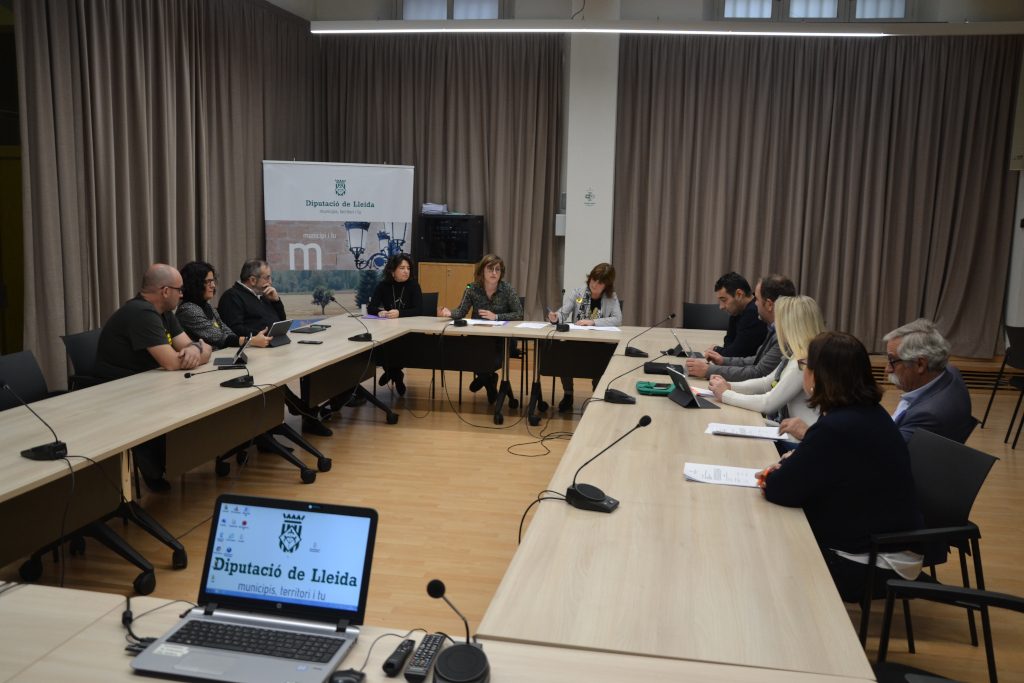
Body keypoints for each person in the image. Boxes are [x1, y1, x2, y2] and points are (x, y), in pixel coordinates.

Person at [760, 331, 926, 603]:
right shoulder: (866, 412)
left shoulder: (837, 427)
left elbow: (778, 489)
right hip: (886, 545)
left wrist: (777, 472)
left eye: (805, 365)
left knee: (768, 542)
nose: (803, 372)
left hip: (873, 562)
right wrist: (789, 468)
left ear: (820, 376)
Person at [94, 264, 213, 492]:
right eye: (179, 290)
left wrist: (195, 349)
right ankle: (152, 461)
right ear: (165, 291)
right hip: (117, 392)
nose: (182, 294)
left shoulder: (165, 313)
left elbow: (188, 345)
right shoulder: (141, 313)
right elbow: (173, 363)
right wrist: (202, 351)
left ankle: (161, 462)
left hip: (146, 383)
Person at [218, 259, 332, 437]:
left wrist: (276, 300)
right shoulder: (232, 297)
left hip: (274, 347)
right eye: (267, 278)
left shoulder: (263, 295)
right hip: (254, 354)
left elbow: (280, 320)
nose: (270, 282)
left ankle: (303, 409)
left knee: (310, 363)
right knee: (274, 378)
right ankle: (302, 410)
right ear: (253, 280)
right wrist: (259, 337)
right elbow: (235, 329)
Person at [708, 295, 825, 431]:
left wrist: (726, 395)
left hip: (796, 438)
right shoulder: (799, 353)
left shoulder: (803, 362)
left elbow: (768, 403)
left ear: (791, 325)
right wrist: (729, 386)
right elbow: (766, 383)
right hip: (791, 431)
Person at [439, 254, 524, 401]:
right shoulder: (472, 288)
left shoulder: (507, 289)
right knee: (466, 353)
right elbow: (461, 311)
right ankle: (489, 380)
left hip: (503, 339)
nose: (494, 273)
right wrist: (449, 313)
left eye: (497, 269)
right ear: (482, 271)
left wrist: (496, 317)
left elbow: (519, 314)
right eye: (490, 269)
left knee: (486, 360)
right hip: (479, 337)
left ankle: (484, 378)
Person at [686, 274, 795, 381]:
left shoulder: (785, 335)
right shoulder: (775, 327)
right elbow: (757, 360)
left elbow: (759, 373)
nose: (755, 303)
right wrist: (723, 361)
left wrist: (708, 370)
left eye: (757, 299)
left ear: (769, 305)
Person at [883, 318, 975, 444]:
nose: (887, 369)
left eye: (892, 360)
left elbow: (886, 452)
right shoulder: (951, 373)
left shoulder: (927, 416)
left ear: (920, 364)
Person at [548, 263, 622, 412]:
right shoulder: (578, 293)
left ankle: (596, 394)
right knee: (563, 354)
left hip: (600, 343)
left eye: (600, 283)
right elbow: (563, 313)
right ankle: (568, 394)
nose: (594, 285)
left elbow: (617, 319)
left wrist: (593, 322)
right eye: (593, 280)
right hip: (577, 341)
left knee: (602, 359)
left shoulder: (611, 297)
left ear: (606, 285)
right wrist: (555, 317)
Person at [176, 261, 271, 349]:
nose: (213, 285)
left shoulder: (207, 306)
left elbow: (227, 331)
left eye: (213, 281)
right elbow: (219, 338)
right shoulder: (188, 309)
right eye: (208, 282)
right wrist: (251, 340)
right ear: (194, 284)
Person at [368, 253, 424, 396]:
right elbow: (371, 307)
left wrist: (400, 313)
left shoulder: (413, 286)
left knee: (401, 346)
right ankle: (396, 374)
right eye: (402, 268)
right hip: (388, 330)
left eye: (408, 268)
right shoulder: (383, 286)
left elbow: (419, 310)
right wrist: (380, 312)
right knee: (380, 345)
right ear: (392, 270)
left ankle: (392, 372)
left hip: (409, 332)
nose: (406, 271)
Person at [710, 271, 767, 358]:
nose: (721, 306)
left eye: (724, 300)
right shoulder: (738, 310)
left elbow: (735, 355)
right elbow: (729, 339)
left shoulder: (753, 313)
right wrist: (727, 351)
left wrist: (716, 349)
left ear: (739, 294)